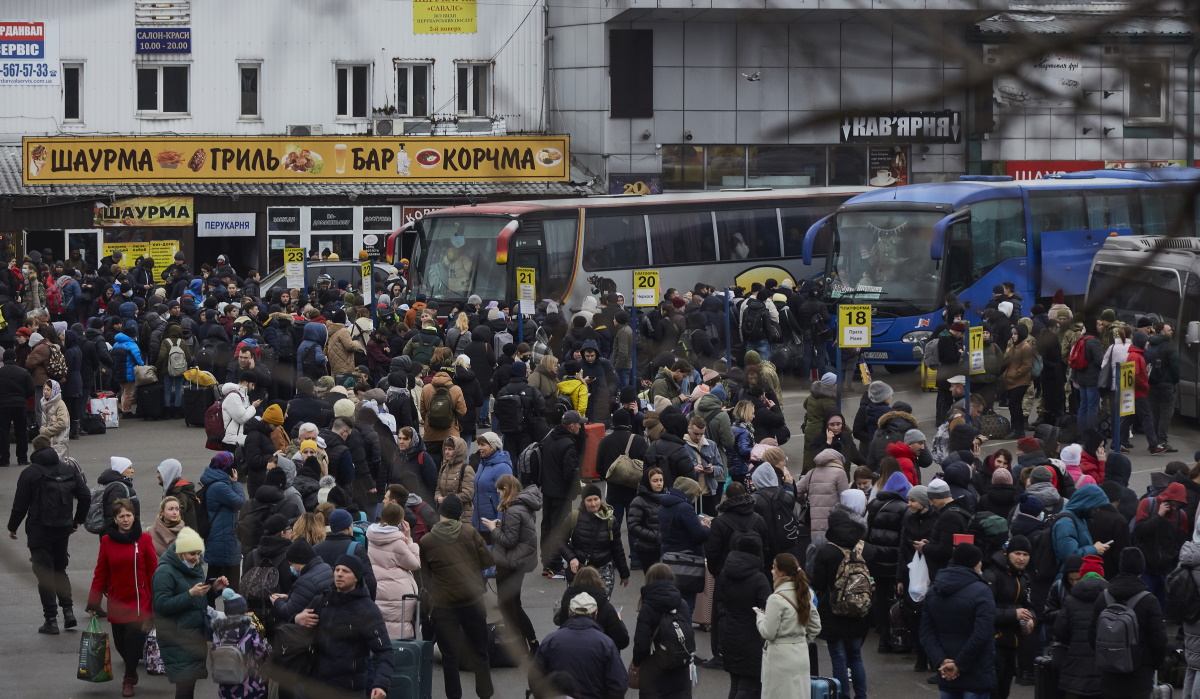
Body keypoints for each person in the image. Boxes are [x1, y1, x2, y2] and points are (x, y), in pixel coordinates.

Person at [6, 433, 89, 634]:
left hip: (39, 529)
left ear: (34, 450)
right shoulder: (68, 469)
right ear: (50, 447)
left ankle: (50, 620)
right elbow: (85, 496)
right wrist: (77, 521)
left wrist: (12, 527)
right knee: (60, 570)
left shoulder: (30, 473)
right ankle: (69, 612)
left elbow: (20, 505)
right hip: (62, 528)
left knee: (44, 573)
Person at [419, 496, 494, 699]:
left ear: (441, 513)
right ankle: (485, 693)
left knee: (449, 655)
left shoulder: (427, 541)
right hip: (473, 601)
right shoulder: (470, 532)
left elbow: (425, 576)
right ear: (459, 514)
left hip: (444, 606)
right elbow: (487, 561)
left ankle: (454, 696)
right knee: (480, 651)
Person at [294, 555, 393, 699]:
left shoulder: (367, 610)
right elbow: (295, 629)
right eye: (337, 570)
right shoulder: (322, 601)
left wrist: (381, 683)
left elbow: (384, 650)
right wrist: (296, 619)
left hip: (348, 689)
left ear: (357, 577)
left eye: (346, 571)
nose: (339, 574)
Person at [87, 498, 157, 697]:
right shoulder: (107, 542)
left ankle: (128, 679)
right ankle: (132, 668)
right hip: (118, 601)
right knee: (121, 643)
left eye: (129, 515)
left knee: (133, 639)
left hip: (140, 602)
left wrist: (156, 599)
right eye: (121, 516)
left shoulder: (144, 540)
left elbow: (153, 571)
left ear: (134, 516)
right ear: (115, 519)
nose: (126, 520)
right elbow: (100, 573)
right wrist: (93, 601)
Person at [153, 526, 229, 699]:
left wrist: (213, 590)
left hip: (194, 636)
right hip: (176, 637)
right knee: (185, 687)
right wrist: (189, 594)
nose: (196, 558)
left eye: (198, 553)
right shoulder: (164, 573)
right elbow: (161, 605)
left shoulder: (194, 568)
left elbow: (198, 601)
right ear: (181, 552)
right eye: (191, 554)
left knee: (189, 686)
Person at [811, 491, 873, 699]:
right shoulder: (864, 548)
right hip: (860, 611)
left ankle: (843, 695)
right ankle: (861, 695)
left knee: (838, 657)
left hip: (834, 611)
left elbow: (818, 583)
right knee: (856, 656)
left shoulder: (827, 551)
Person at [920, 543, 996, 699]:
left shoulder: (934, 590)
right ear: (976, 563)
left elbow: (926, 631)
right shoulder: (982, 591)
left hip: (946, 671)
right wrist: (959, 664)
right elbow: (982, 634)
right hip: (976, 672)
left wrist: (940, 660)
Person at [1089, 548, 1168, 698]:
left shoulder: (1103, 597)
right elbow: (1159, 640)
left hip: (1109, 670)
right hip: (1140, 672)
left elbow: (1092, 635)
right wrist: (1154, 665)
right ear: (1141, 568)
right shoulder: (1149, 600)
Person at [530, 592, 629, 699]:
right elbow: (618, 684)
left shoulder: (551, 641)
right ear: (595, 614)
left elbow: (534, 677)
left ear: (569, 612)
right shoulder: (605, 644)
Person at [484, 475, 542, 655]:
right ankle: (526, 643)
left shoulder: (514, 510)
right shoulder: (522, 506)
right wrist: (503, 525)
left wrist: (493, 529)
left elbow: (509, 540)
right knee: (513, 604)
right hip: (519, 562)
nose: (498, 494)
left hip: (511, 563)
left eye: (500, 491)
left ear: (506, 490)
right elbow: (517, 533)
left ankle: (530, 642)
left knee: (509, 605)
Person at [754, 552, 821, 699]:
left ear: (781, 572)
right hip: (801, 654)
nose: (771, 571)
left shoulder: (775, 599)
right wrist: (802, 640)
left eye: (774, 567)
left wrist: (760, 617)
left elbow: (768, 633)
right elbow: (815, 626)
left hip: (779, 657)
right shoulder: (805, 594)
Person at [716, 533, 771, 699]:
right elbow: (769, 607)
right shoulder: (759, 578)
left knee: (735, 684)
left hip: (729, 632)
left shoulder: (725, 574)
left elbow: (719, 601)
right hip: (752, 636)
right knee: (748, 686)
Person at [981, 536, 1036, 699]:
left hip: (1013, 642)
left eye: (1025, 554)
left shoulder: (1024, 578)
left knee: (1004, 687)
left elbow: (1030, 606)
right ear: (1007, 554)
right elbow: (985, 612)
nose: (1021, 558)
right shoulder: (991, 575)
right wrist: (1015, 614)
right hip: (993, 642)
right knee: (993, 689)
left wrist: (1031, 620)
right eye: (1017, 553)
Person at [631, 563, 693, 699]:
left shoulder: (648, 607)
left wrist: (637, 663)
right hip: (679, 668)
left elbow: (641, 643)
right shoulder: (681, 603)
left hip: (655, 672)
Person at [1051, 555, 1107, 699]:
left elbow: (1059, 631)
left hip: (1075, 673)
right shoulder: (1112, 599)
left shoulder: (1071, 600)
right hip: (1104, 672)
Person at [562, 483, 631, 594]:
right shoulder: (574, 517)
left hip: (603, 571)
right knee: (581, 606)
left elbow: (617, 547)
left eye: (596, 499)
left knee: (602, 605)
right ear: (583, 501)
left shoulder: (610, 520)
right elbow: (560, 541)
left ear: (600, 499)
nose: (594, 504)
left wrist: (624, 573)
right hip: (580, 572)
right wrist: (571, 558)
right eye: (589, 500)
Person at [366, 502, 421, 639]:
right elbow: (415, 564)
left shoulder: (372, 538)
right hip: (397, 594)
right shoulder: (398, 543)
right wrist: (409, 540)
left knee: (382, 625)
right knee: (399, 628)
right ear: (401, 521)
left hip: (378, 589)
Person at [540, 410, 585, 576]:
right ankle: (555, 564)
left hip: (548, 489)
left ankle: (548, 562)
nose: (581, 426)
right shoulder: (568, 444)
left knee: (547, 526)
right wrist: (578, 489)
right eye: (579, 424)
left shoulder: (551, 436)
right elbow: (570, 473)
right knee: (560, 529)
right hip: (561, 493)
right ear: (572, 426)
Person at [898, 485, 937, 673]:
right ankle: (921, 656)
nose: (909, 504)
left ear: (923, 501)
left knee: (929, 618)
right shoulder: (908, 520)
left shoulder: (936, 520)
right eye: (908, 500)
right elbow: (902, 550)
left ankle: (932, 657)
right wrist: (899, 577)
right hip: (911, 575)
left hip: (930, 575)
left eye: (912, 500)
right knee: (913, 617)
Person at [658, 476, 709, 619]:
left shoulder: (665, 505)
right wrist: (705, 527)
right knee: (686, 606)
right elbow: (698, 535)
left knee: (671, 602)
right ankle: (683, 636)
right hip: (686, 560)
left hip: (668, 557)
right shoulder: (684, 508)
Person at [551, 564, 630, 651]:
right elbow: (622, 641)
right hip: (600, 655)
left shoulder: (566, 604)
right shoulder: (606, 608)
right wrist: (619, 620)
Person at [210, 589, 271, 699]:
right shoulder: (249, 629)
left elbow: (214, 652)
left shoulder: (218, 631)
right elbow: (259, 652)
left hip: (226, 681)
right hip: (249, 683)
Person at [200, 451, 246, 595]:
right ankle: (225, 613)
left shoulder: (215, 481)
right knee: (228, 584)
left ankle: (210, 610)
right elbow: (240, 502)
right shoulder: (220, 486)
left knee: (214, 578)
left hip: (220, 537)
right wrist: (236, 482)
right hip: (224, 539)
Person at [312, 508, 377, 600]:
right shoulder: (356, 548)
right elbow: (369, 580)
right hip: (348, 601)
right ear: (348, 527)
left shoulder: (316, 548)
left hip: (323, 602)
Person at [1050, 483, 1110, 580]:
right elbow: (1069, 556)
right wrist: (1094, 549)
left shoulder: (1078, 518)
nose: (1097, 510)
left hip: (1075, 577)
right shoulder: (1066, 522)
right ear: (1087, 503)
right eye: (1095, 506)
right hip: (1069, 579)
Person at [270, 538, 334, 625]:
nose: (291, 567)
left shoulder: (305, 581)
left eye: (290, 564)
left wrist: (277, 602)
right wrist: (289, 597)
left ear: (298, 562)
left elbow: (289, 612)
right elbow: (307, 597)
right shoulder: (326, 567)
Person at [795, 447, 850, 540]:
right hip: (834, 522)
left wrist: (805, 501)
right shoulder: (840, 473)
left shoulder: (811, 473)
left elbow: (795, 491)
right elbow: (846, 499)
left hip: (814, 523)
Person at [472, 432, 512, 541]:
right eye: (479, 444)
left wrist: (500, 522)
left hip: (493, 523)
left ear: (493, 447)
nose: (479, 448)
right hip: (479, 521)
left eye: (483, 445)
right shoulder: (482, 464)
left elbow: (506, 498)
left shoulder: (502, 467)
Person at [1147, 321, 1180, 453]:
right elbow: (1175, 367)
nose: (1171, 331)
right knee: (1166, 413)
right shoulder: (1169, 347)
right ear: (1162, 332)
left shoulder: (1150, 344)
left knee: (1155, 413)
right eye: (1168, 329)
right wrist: (1174, 381)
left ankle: (1155, 441)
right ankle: (1163, 441)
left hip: (1152, 384)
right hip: (1166, 385)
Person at [628, 467, 666, 574]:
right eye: (655, 481)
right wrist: (655, 536)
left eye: (661, 480)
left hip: (665, 548)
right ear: (647, 482)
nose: (659, 483)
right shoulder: (639, 501)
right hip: (648, 549)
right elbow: (633, 526)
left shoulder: (667, 499)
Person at [0, 347, 33, 465]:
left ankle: (4, 459)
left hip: (3, 406)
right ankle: (22, 458)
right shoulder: (23, 372)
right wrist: (22, 397)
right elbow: (31, 390)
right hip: (19, 405)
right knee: (21, 432)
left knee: (3, 432)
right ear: (15, 358)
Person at [435, 435, 475, 524]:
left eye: (450, 449)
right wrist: (438, 497)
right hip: (444, 515)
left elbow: (468, 494)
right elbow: (438, 489)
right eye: (445, 449)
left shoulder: (466, 469)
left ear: (458, 450)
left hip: (463, 516)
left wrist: (445, 499)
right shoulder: (444, 467)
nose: (446, 452)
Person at [98, 456, 140, 534]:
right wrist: (117, 534)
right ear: (121, 470)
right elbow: (113, 513)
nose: (132, 471)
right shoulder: (118, 488)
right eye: (129, 468)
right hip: (119, 534)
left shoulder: (119, 486)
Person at [156, 459, 198, 530]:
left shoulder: (178, 495)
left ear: (169, 473)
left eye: (160, 472)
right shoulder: (176, 491)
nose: (158, 476)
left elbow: (173, 523)